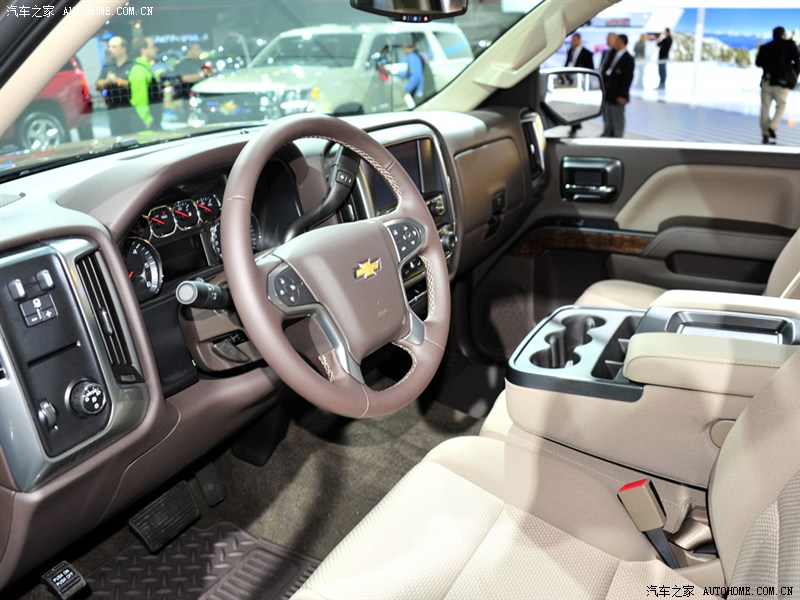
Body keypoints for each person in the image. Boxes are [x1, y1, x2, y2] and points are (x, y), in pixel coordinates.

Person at [755, 26, 800, 144]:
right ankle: (773, 127)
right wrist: (793, 75)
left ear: (773, 35)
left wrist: (767, 65)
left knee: (765, 107)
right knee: (781, 106)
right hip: (782, 83)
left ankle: (765, 134)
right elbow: (797, 60)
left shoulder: (766, 47)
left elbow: (758, 62)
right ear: (783, 34)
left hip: (767, 81)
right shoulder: (789, 45)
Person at [95, 36, 135, 135]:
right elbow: (98, 85)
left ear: (123, 48)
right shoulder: (109, 65)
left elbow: (136, 86)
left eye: (114, 47)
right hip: (114, 110)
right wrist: (107, 81)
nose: (110, 49)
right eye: (109, 47)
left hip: (131, 110)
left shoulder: (133, 64)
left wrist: (117, 81)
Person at [601, 33, 634, 138]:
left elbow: (627, 79)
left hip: (619, 93)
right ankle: (607, 133)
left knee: (617, 116)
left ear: (621, 42)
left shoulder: (628, 58)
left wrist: (623, 95)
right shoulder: (613, 54)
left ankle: (618, 136)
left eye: (617, 41)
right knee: (608, 114)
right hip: (609, 91)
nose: (614, 43)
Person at [564, 33, 594, 136]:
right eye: (572, 40)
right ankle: (573, 124)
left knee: (577, 104)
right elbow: (567, 63)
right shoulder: (570, 51)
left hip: (580, 83)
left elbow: (590, 69)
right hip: (570, 81)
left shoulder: (587, 53)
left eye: (574, 40)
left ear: (579, 40)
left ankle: (576, 124)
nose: (572, 42)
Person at [128, 37, 161, 131]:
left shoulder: (145, 68)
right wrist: (146, 119)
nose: (156, 49)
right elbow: (139, 98)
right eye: (153, 47)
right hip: (145, 123)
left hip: (150, 119)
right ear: (143, 50)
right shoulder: (139, 70)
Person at [172, 43, 212, 118]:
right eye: (196, 49)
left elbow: (210, 74)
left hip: (205, 95)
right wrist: (201, 75)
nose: (199, 51)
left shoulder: (203, 62)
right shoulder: (183, 64)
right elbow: (184, 78)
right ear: (189, 51)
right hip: (190, 97)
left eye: (199, 49)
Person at [400, 42, 426, 108]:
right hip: (419, 91)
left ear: (406, 47)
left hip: (418, 92)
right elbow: (408, 73)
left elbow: (416, 76)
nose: (403, 50)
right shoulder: (416, 55)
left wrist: (406, 90)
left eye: (403, 47)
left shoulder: (412, 56)